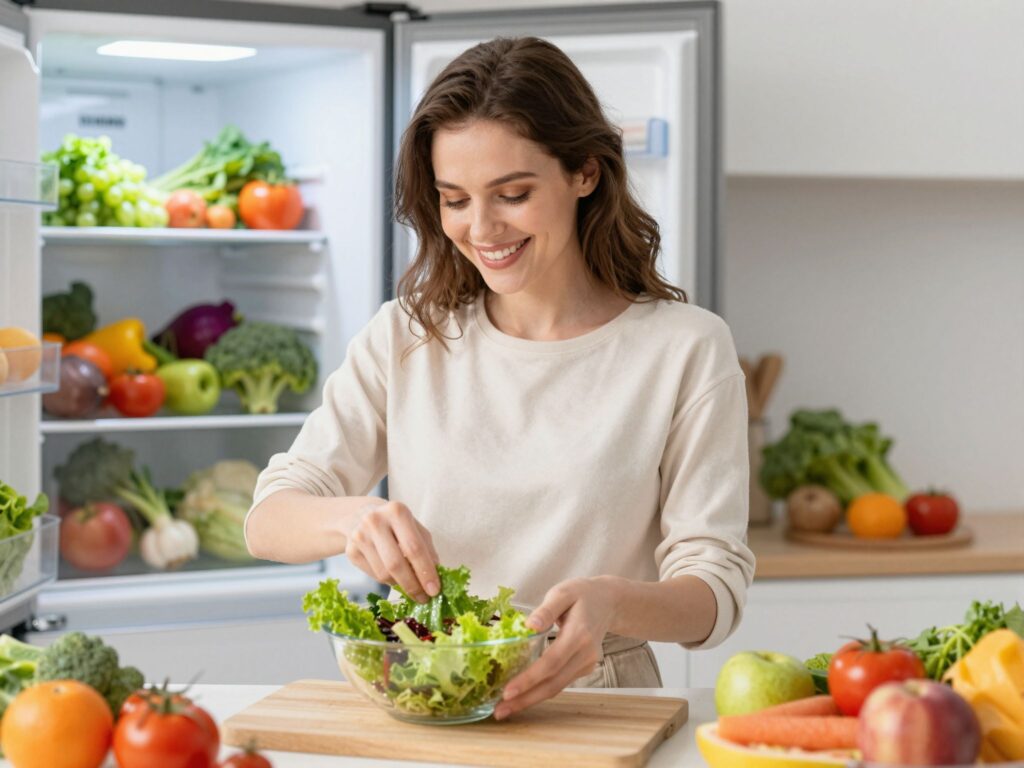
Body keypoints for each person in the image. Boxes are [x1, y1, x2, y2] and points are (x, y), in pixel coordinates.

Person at [245, 36, 755, 719]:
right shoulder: (405, 336)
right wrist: (353, 519)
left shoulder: (685, 347)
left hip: (596, 701)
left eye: (511, 194)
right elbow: (269, 519)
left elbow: (714, 591)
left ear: (586, 173)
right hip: (424, 693)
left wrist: (611, 604)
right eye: (453, 199)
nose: (481, 228)